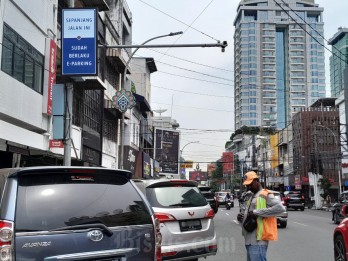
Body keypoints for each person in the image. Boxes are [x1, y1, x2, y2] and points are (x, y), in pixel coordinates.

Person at [237, 171, 285, 261]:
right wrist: (241, 218)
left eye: (250, 184)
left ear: (257, 181)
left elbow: (280, 208)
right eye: (247, 185)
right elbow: (250, 215)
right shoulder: (252, 196)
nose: (249, 187)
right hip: (249, 239)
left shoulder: (265, 194)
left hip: (258, 241)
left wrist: (256, 212)